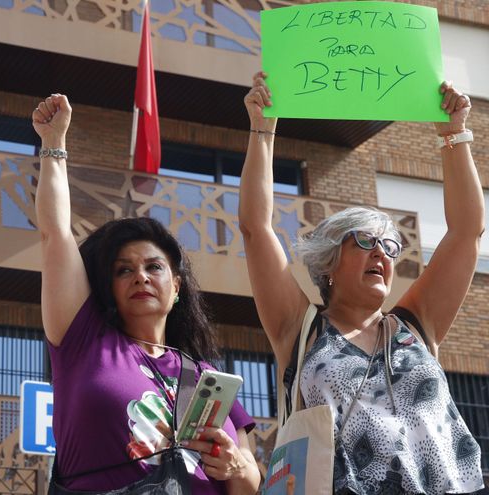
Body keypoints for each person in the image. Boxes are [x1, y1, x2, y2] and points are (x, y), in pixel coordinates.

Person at [239, 72, 484, 494]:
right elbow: (256, 229)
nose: (381, 254)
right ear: (330, 262)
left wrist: (455, 135)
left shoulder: (415, 326)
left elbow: (466, 232)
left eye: (390, 247)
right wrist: (263, 129)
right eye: (365, 242)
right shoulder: (301, 329)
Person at [33, 93, 261, 494]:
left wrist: (236, 466)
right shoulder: (84, 342)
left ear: (176, 288)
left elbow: (249, 485)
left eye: (154, 267)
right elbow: (55, 234)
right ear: (108, 289)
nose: (140, 276)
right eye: (124, 270)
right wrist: (54, 144)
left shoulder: (208, 378)